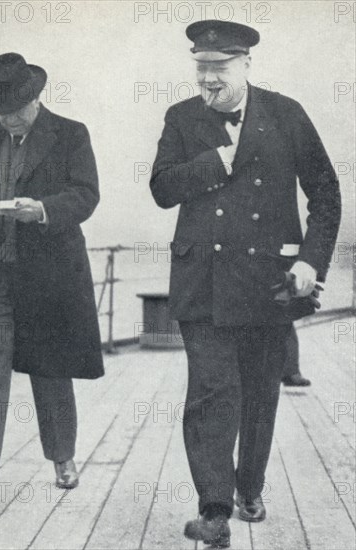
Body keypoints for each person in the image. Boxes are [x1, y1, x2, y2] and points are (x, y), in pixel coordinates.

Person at [150, 20, 340, 548]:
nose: (209, 80)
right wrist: (212, 163)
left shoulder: (286, 114)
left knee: (259, 396)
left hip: (268, 284)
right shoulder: (181, 118)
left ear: (247, 65)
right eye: (202, 69)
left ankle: (249, 487)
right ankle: (214, 509)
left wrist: (311, 261)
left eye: (220, 69)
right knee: (211, 394)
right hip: (202, 283)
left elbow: (325, 191)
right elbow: (162, 188)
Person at [0, 53, 104, 504]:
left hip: (48, 279)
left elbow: (86, 195)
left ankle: (63, 459)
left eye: (16, 111)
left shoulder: (71, 134)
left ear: (35, 99)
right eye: (1, 112)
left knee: (51, 371)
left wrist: (44, 210)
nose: (8, 120)